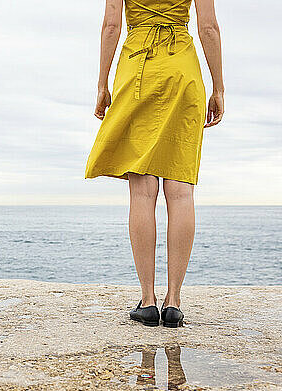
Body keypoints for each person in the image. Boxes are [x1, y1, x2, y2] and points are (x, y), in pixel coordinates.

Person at [84, 0, 224, 327]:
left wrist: (102, 83)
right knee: (180, 192)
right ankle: (173, 301)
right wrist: (218, 86)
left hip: (137, 72)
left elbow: (111, 27)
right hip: (182, 70)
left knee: (143, 193)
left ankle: (147, 300)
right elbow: (208, 28)